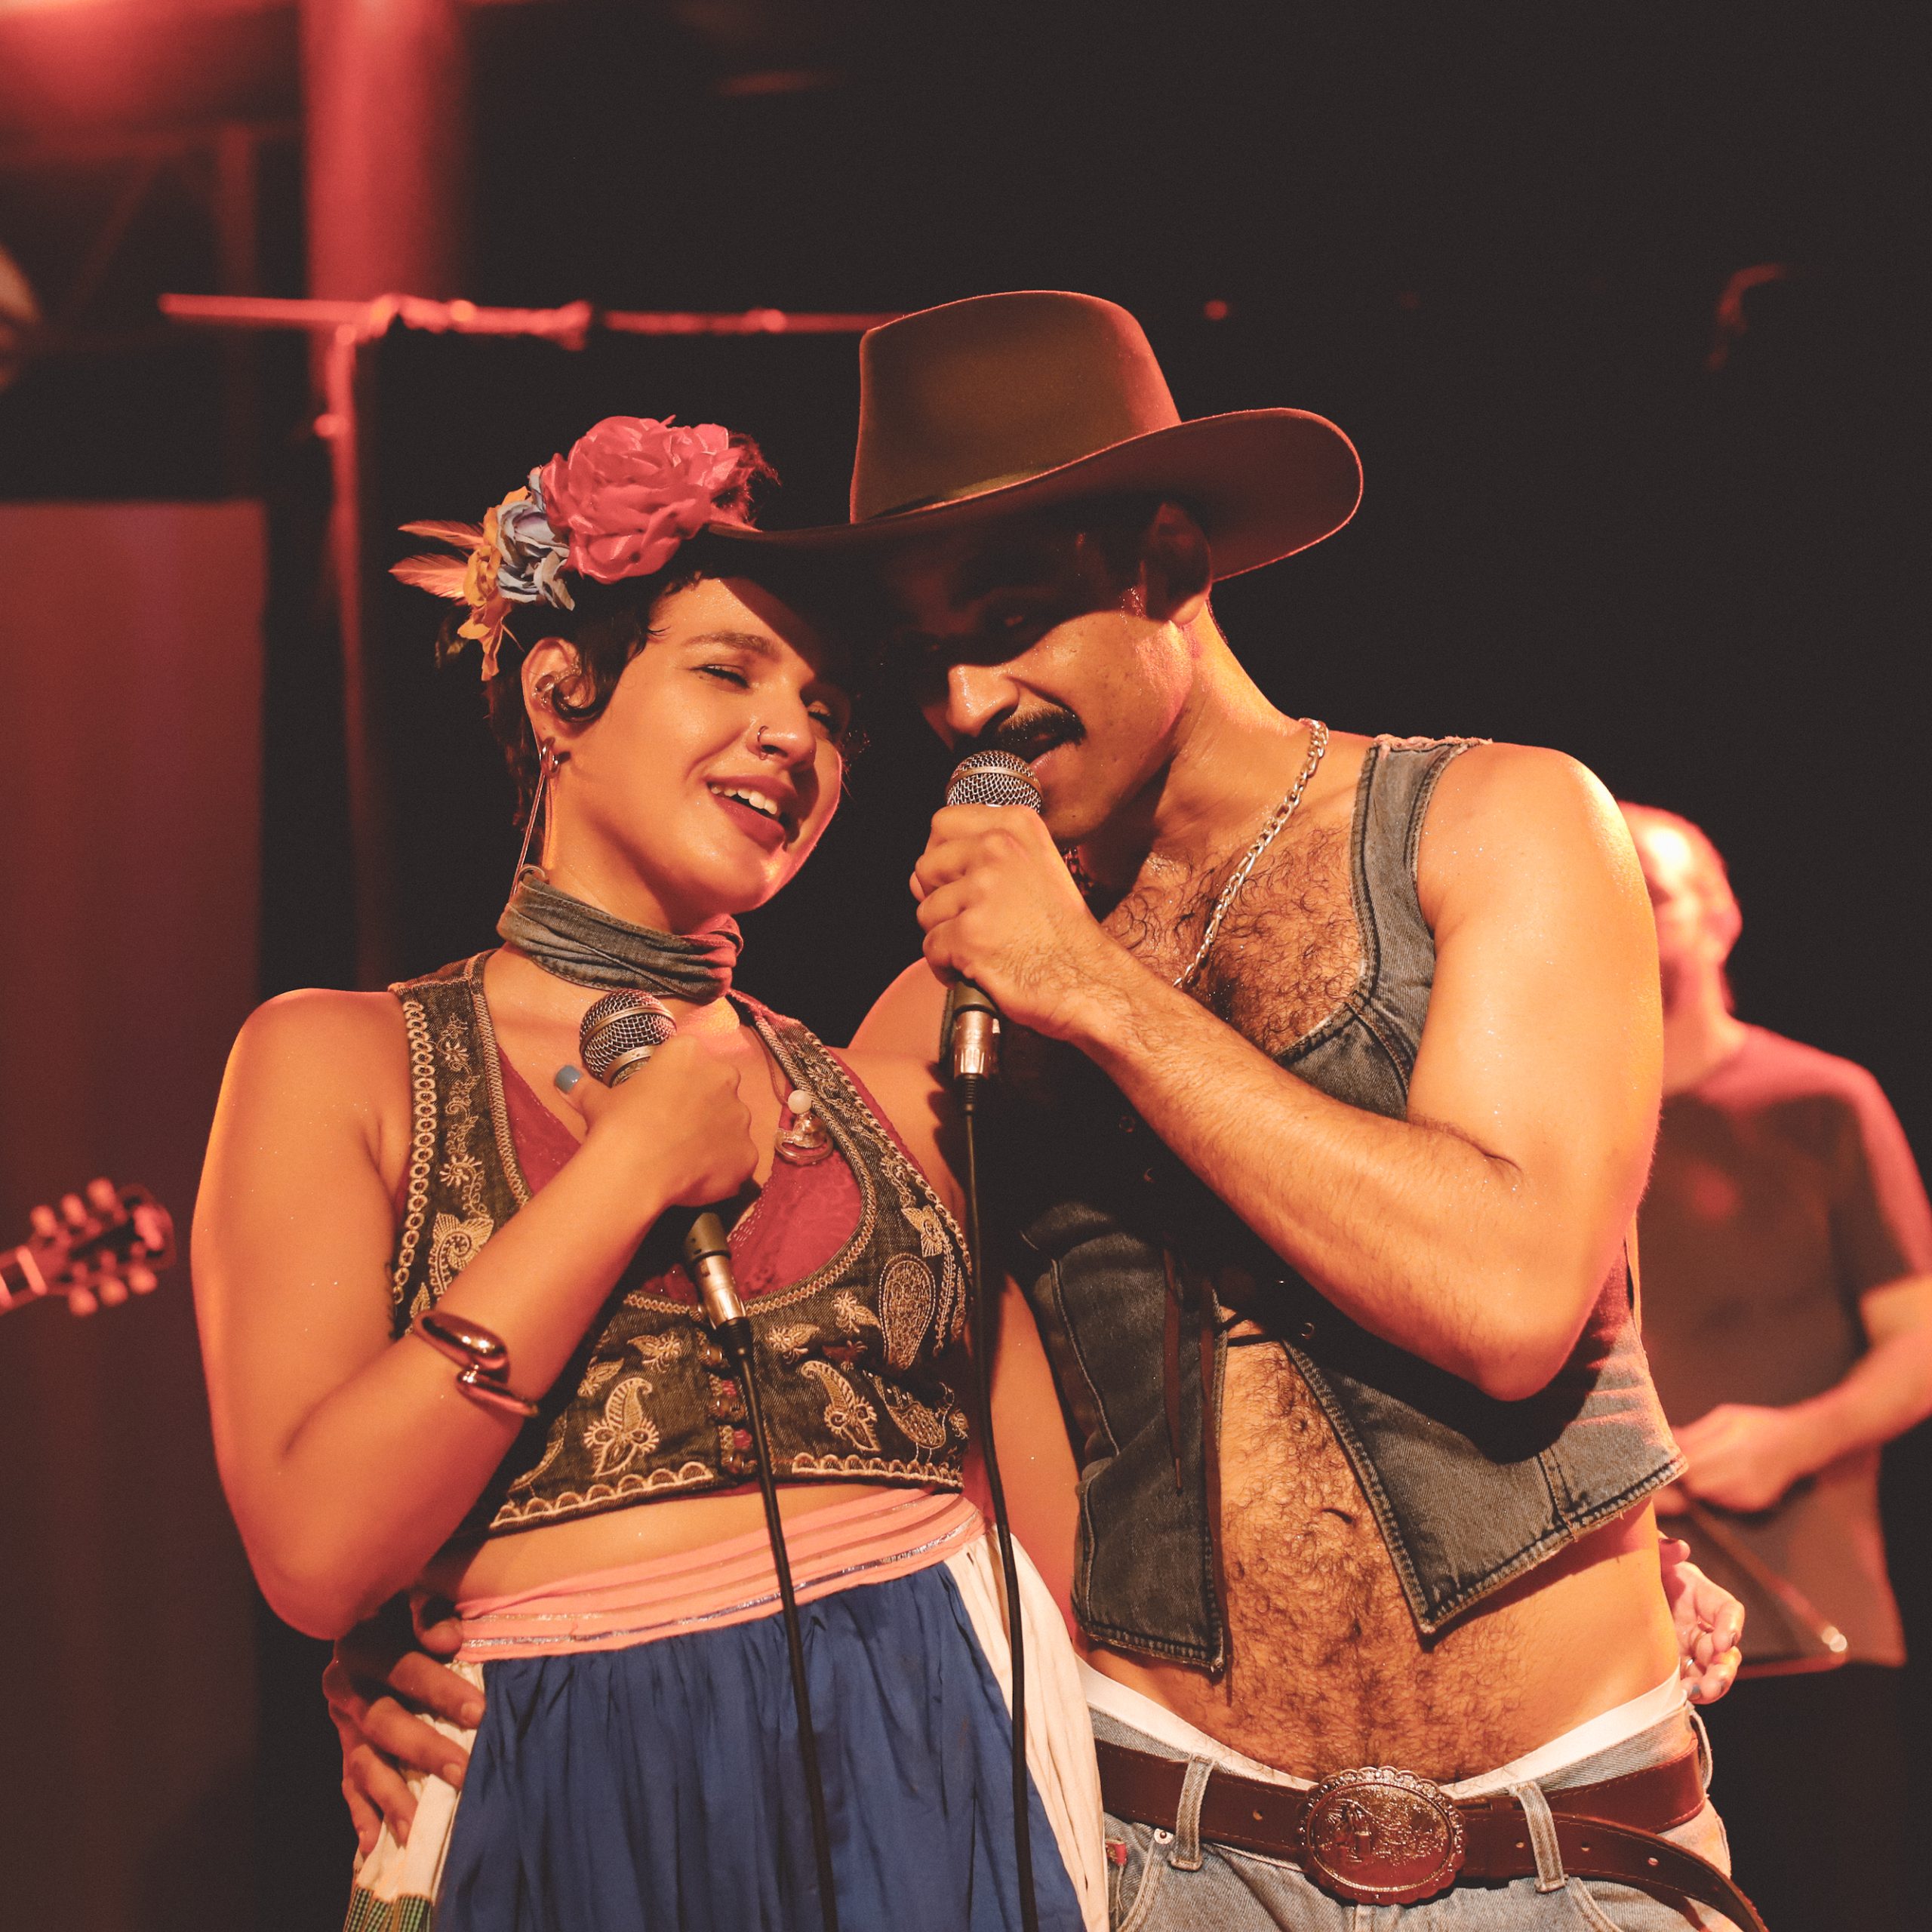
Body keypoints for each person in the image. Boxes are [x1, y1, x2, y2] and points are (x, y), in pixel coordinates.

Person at [329, 298, 1752, 1930]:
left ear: (1165, 562)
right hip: (1159, 1858)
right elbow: (760, 1404)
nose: (961, 702)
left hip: (1564, 1850)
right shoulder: (938, 1013)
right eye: (918, 661)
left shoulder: (1492, 822)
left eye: (1007, 621)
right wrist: (425, 1627)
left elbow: (1505, 1298)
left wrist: (1091, 989)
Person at [193, 412, 1104, 1932]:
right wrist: (622, 1177)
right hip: (558, 1802)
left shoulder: (893, 1086)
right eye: (729, 671)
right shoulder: (337, 1061)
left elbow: (1035, 1523)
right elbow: (313, 1552)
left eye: (825, 709)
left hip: (936, 1777)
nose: (792, 737)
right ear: (562, 690)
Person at [1621, 801, 1932, 1931]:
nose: (1625, 914)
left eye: (1652, 892)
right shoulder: (1564, 1128)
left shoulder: (1819, 1100)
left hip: (1811, 1639)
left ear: (1722, 916)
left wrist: (1791, 1439)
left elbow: (1921, 1342)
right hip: (1625, 1649)